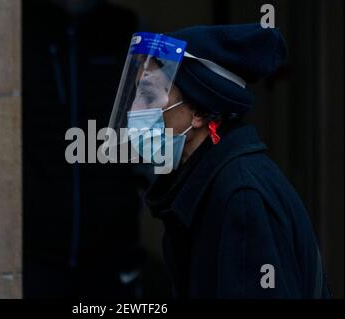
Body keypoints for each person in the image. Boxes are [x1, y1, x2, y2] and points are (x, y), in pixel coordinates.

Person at [108, 24, 331, 298]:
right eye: (138, 96)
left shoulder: (241, 197)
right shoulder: (201, 182)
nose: (136, 112)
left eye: (151, 96)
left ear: (199, 111)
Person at [23, 0, 145, 298]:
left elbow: (153, 122)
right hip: (33, 252)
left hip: (112, 249)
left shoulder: (126, 28)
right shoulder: (21, 25)